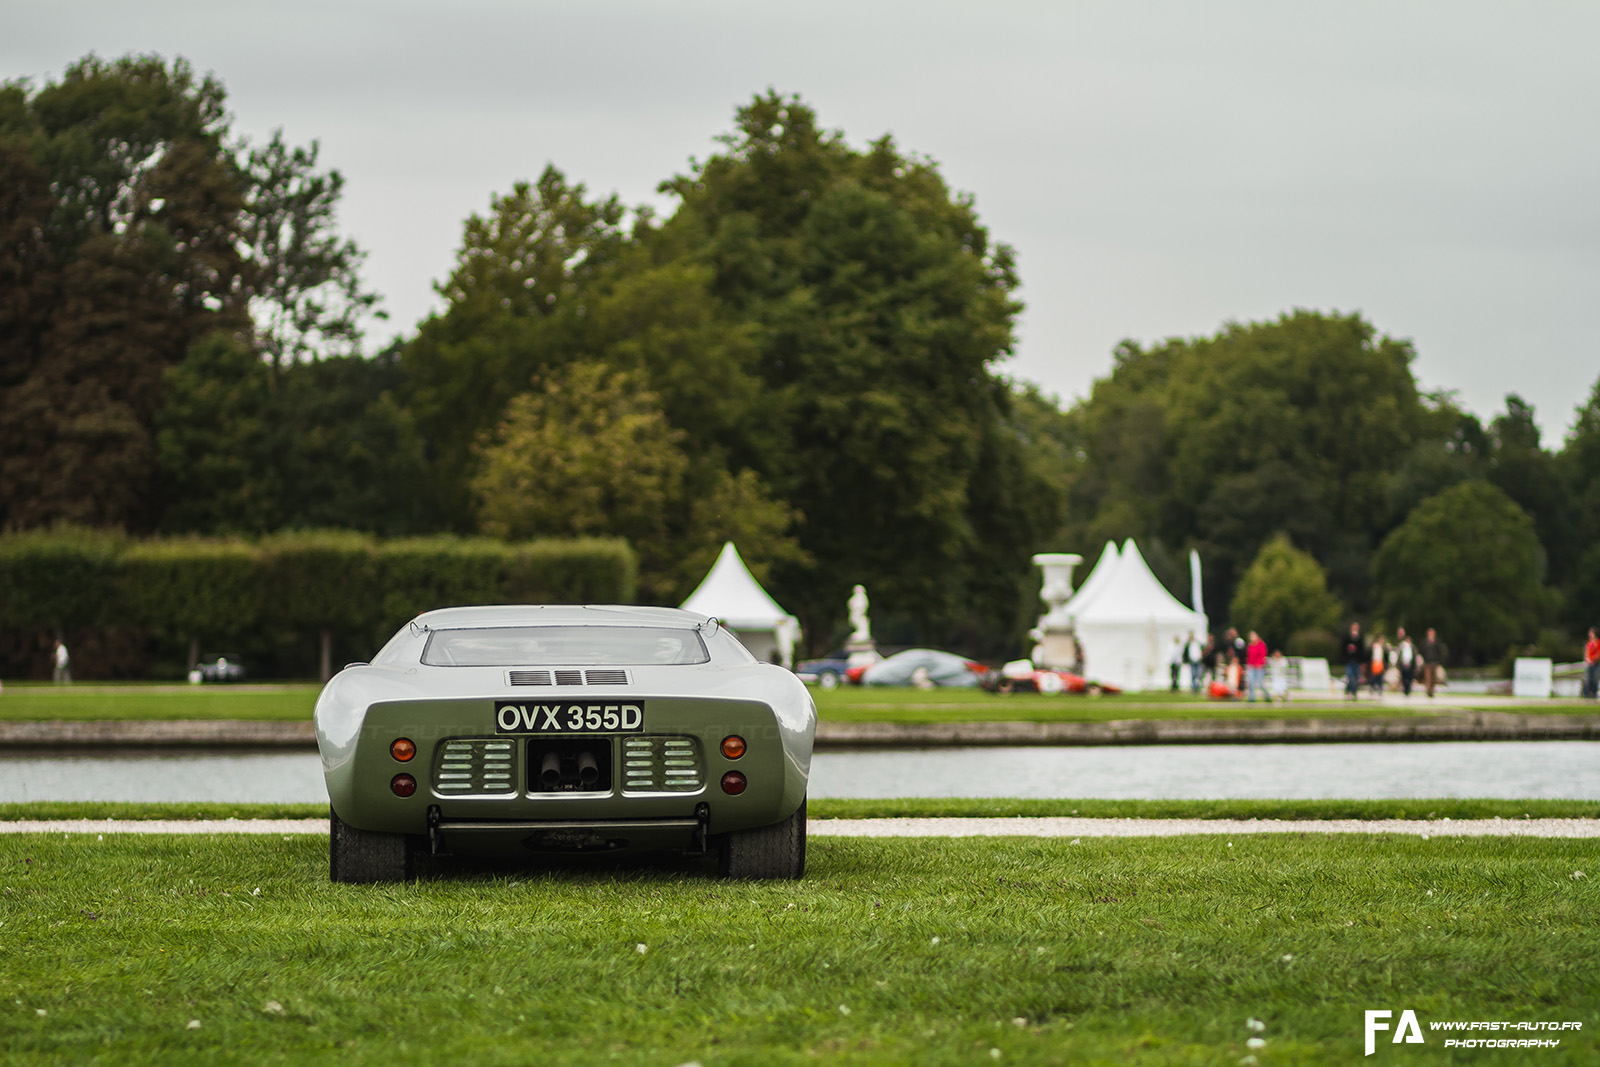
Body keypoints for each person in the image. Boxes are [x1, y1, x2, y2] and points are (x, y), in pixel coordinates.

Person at [1342, 623, 1365, 700]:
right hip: (1349, 660)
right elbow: (1343, 649)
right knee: (1350, 676)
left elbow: (1362, 650)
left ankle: (1354, 692)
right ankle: (1348, 690)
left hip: (1356, 660)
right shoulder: (1347, 637)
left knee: (1355, 677)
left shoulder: (1360, 638)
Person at [1420, 627, 1445, 698]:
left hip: (1434, 662)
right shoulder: (1425, 642)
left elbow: (1440, 652)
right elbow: (1422, 651)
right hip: (1427, 662)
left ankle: (1432, 691)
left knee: (1433, 678)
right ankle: (1428, 691)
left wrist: (1438, 660)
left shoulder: (1437, 642)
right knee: (1428, 677)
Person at [1245, 630, 1268, 702]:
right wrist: (1249, 664)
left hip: (1259, 667)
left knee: (1260, 683)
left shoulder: (1261, 644)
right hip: (1252, 666)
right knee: (1251, 683)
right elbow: (1249, 656)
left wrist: (1259, 664)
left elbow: (1263, 655)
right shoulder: (1250, 645)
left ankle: (1267, 696)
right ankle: (1251, 698)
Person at [1394, 627, 1418, 697]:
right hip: (1403, 664)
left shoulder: (1413, 648)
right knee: (1404, 678)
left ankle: (1408, 690)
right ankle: (1405, 690)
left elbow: (1414, 656)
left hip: (1410, 665)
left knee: (1409, 678)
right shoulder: (1402, 647)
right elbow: (1399, 655)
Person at [1584, 627, 1600, 700]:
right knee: (1588, 679)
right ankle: (1587, 694)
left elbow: (1598, 653)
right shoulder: (1589, 642)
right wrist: (1588, 659)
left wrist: (1593, 659)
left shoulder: (1598, 642)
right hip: (1589, 663)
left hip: (1596, 663)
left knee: (1595, 679)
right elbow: (1587, 652)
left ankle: (1594, 693)